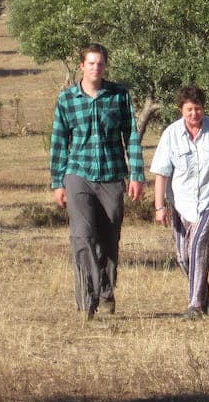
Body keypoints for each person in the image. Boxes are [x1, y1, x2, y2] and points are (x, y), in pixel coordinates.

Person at [50, 43, 145, 320]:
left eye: (100, 63)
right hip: (78, 174)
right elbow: (58, 143)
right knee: (82, 236)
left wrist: (137, 175)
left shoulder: (118, 96)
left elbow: (132, 137)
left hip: (112, 175)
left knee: (109, 238)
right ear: (82, 66)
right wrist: (58, 182)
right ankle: (86, 300)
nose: (96, 68)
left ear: (106, 66)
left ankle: (105, 290)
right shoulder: (67, 99)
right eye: (91, 63)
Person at [150, 85, 209, 319]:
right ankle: (203, 294)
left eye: (197, 109)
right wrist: (159, 207)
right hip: (181, 202)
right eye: (189, 109)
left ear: (203, 109)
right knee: (182, 255)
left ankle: (195, 306)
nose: (194, 114)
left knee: (198, 246)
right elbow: (161, 174)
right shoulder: (171, 134)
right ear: (181, 110)